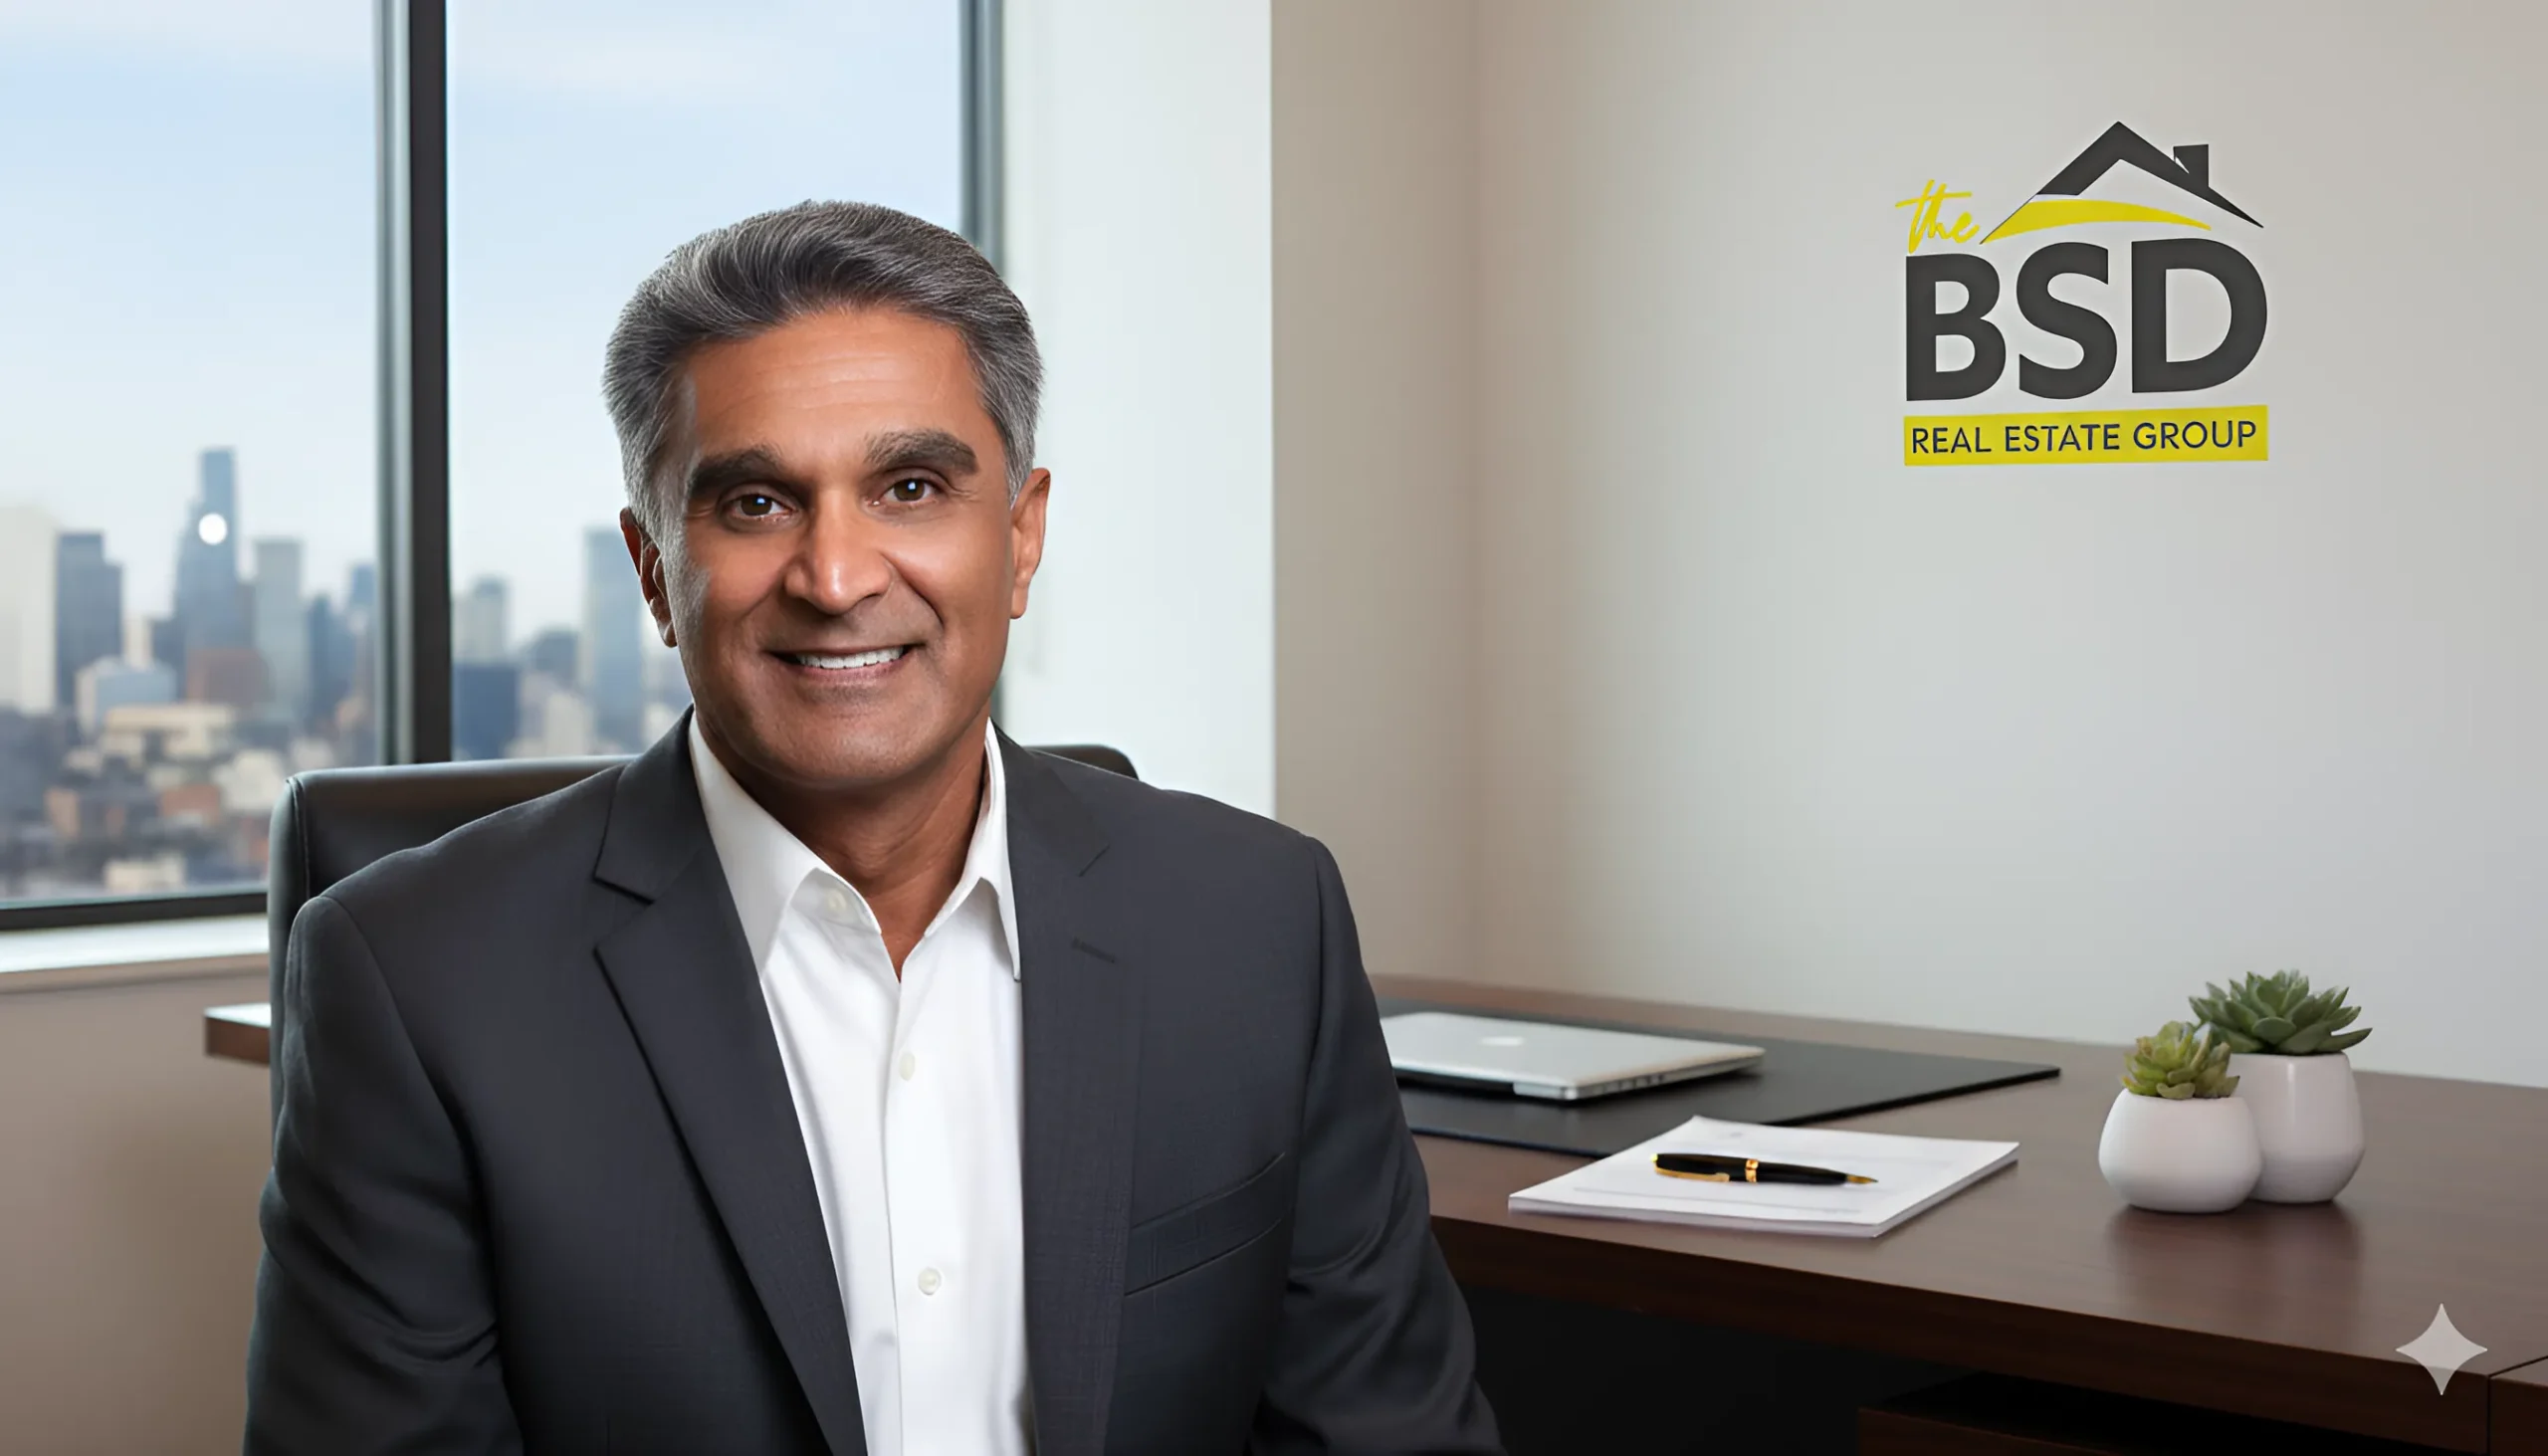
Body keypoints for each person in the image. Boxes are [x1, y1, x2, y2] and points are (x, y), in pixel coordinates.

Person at [244, 200, 1502, 1456]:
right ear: (650, 571)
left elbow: (1387, 1429)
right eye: (753, 503)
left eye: (910, 486)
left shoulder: (1255, 918)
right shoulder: (417, 977)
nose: (836, 577)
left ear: (1019, 535)